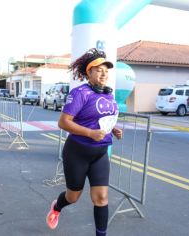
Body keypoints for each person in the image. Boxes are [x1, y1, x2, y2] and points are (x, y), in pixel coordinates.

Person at [46, 48, 123, 236]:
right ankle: (57, 207)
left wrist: (113, 128)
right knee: (73, 197)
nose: (104, 73)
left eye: (106, 70)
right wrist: (90, 133)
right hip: (77, 153)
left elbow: (102, 118)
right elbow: (63, 122)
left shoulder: (108, 95)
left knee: (102, 198)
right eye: (99, 69)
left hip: (100, 153)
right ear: (89, 72)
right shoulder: (80, 93)